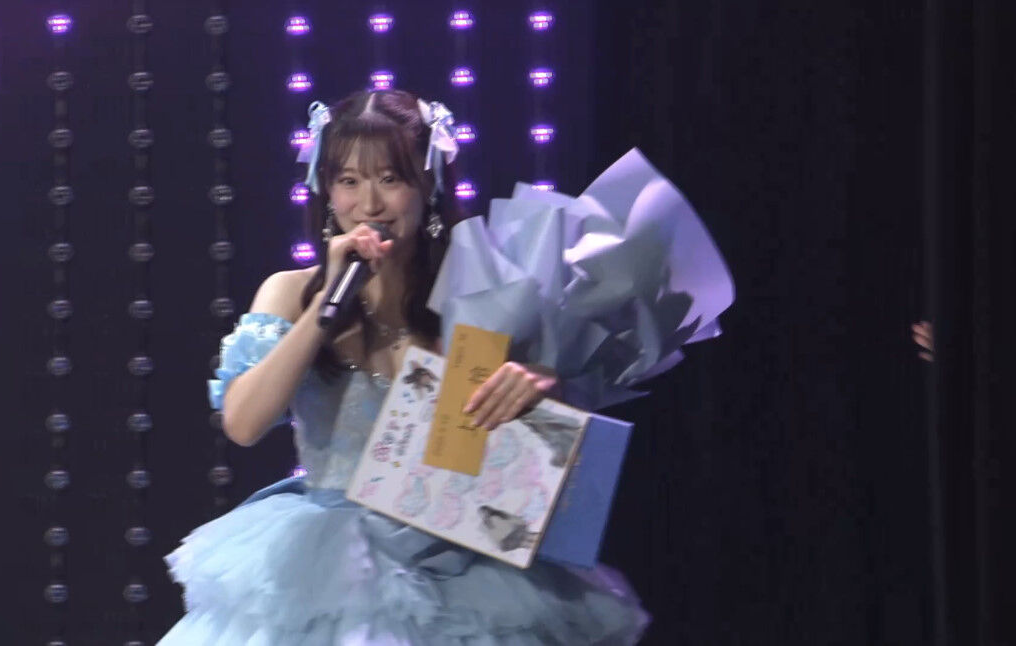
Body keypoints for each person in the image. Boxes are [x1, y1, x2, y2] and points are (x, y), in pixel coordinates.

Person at [158, 89, 655, 645]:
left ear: (429, 184)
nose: (369, 204)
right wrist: (325, 308)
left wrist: (546, 385)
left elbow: (528, 451)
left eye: (390, 178)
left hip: (460, 560)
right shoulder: (291, 292)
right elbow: (244, 423)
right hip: (327, 564)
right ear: (326, 192)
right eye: (348, 181)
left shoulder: (481, 294)